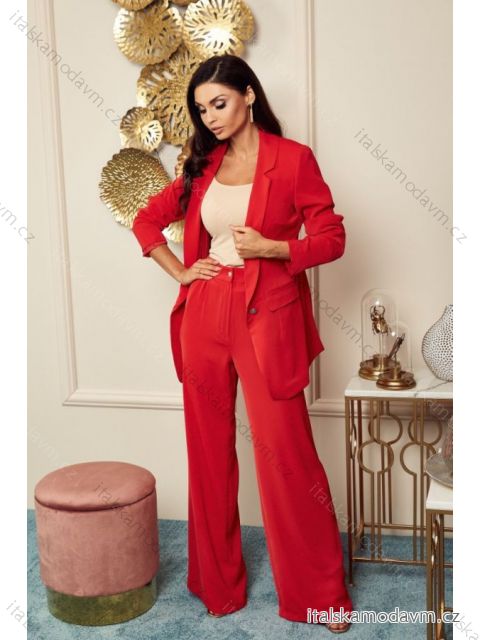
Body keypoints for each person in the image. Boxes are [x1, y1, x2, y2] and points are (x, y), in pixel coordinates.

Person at [132, 54, 352, 633]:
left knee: (288, 454)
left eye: (220, 103)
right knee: (208, 452)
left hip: (267, 318)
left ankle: (320, 596)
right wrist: (182, 272)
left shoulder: (293, 159)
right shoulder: (202, 164)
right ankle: (217, 586)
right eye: (202, 109)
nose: (211, 117)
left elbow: (332, 237)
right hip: (206, 312)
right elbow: (146, 222)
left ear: (248, 95)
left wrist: (275, 248)